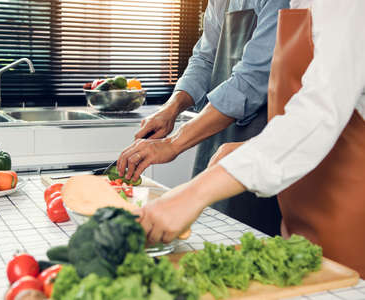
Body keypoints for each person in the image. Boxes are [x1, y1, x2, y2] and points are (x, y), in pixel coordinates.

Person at [136, 0, 365, 278]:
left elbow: (319, 110)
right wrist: (247, 148)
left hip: (349, 196)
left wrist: (194, 190)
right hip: (301, 195)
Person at [117, 0, 289, 236]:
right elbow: (204, 59)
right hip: (216, 132)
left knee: (252, 233)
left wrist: (172, 143)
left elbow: (251, 80)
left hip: (263, 137)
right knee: (211, 227)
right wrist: (170, 108)